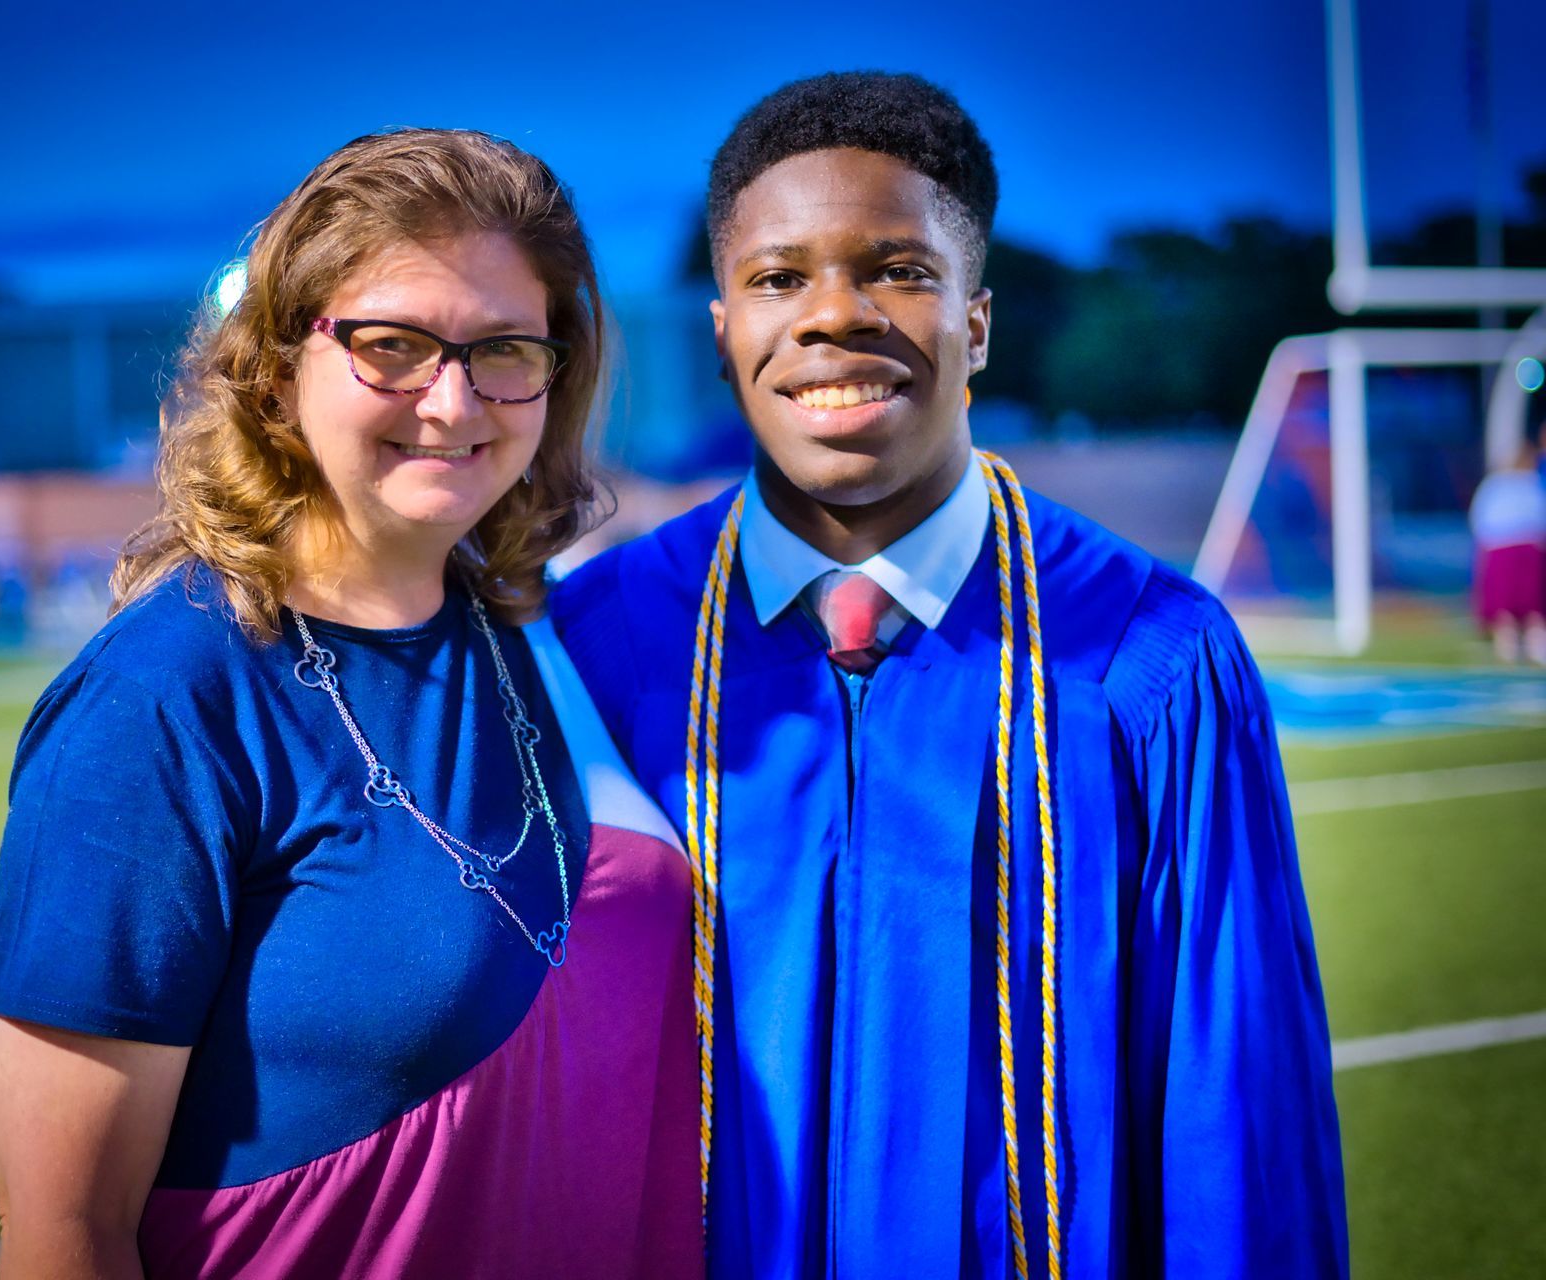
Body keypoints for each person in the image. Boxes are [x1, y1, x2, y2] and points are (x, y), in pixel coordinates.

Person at [550, 73, 1349, 1279]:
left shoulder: (1149, 657)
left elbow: (1236, 1117)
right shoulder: (595, 640)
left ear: (977, 318)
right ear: (722, 332)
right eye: (778, 278)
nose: (835, 315)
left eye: (901, 270)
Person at [0, 129, 698, 1280]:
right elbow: (68, 1231)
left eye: (506, 348)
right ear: (275, 371)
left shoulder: (555, 635)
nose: (453, 397)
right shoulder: (158, 703)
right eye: (393, 345)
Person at [1467, 434, 1546, 664]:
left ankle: (1511, 648)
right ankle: (1533, 646)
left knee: (1508, 605)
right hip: (1527, 548)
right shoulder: (1531, 485)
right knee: (1530, 604)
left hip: (1501, 548)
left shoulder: (1497, 485)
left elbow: (1480, 519)